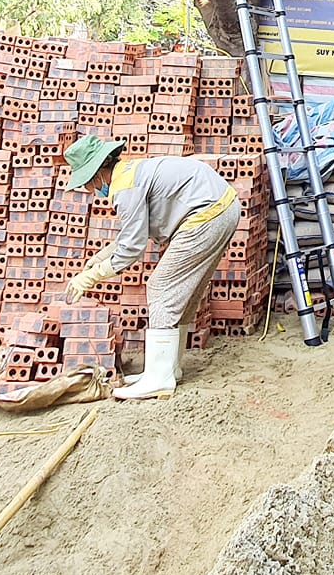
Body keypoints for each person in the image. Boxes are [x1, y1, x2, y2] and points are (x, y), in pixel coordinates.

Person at [60, 134, 242, 400]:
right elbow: (136, 231)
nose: (89, 191)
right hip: (222, 208)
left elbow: (132, 250)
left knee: (161, 286)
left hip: (207, 214)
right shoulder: (129, 174)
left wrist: (91, 277)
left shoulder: (125, 188)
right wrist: (101, 257)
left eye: (87, 184)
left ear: (97, 174)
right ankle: (168, 369)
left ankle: (159, 378)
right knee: (184, 291)